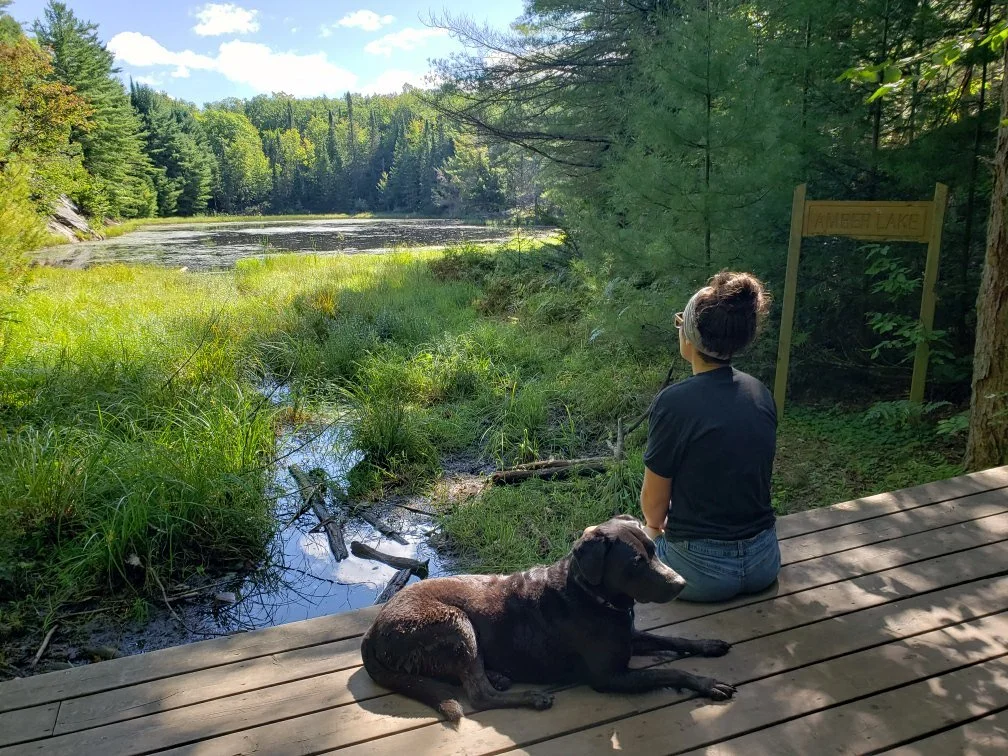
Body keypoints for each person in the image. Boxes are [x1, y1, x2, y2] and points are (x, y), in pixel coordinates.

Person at [637, 270, 779, 602]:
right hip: (764, 562)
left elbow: (654, 508)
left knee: (640, 535)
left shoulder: (674, 403)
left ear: (688, 336)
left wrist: (657, 529)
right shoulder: (759, 392)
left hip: (697, 572)